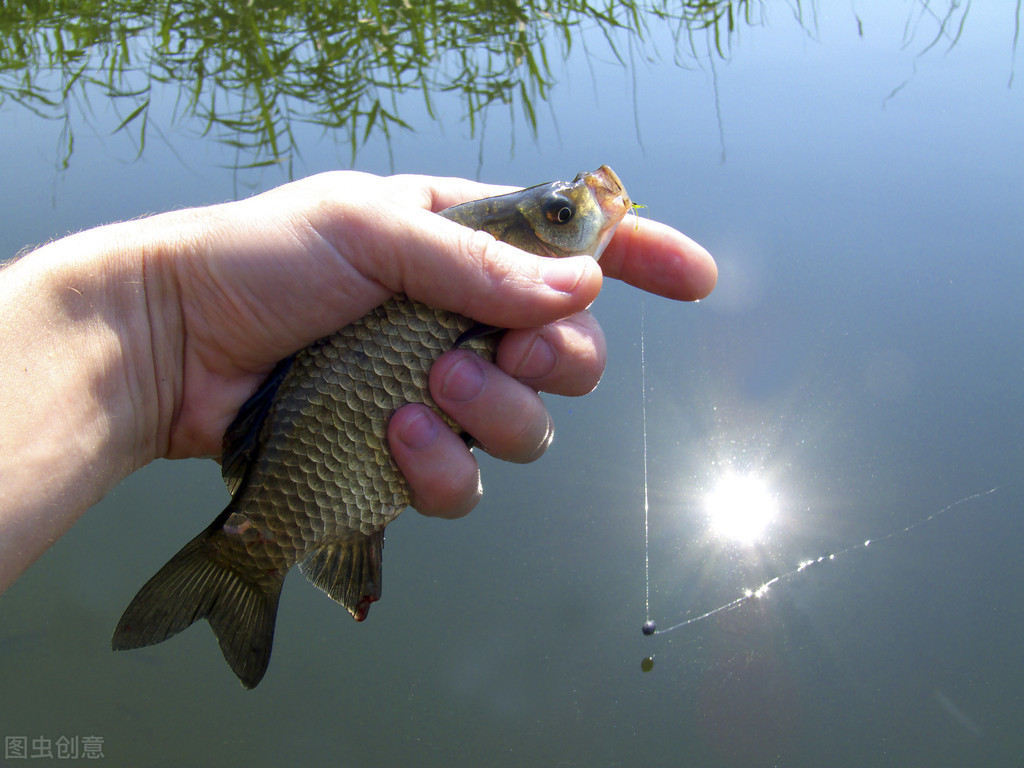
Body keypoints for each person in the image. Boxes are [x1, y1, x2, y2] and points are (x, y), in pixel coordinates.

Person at [0, 170, 716, 594]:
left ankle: (298, 543)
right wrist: (165, 325)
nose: (579, 213)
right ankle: (257, 554)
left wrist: (162, 330)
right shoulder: (450, 261)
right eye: (559, 215)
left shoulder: (464, 257)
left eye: (561, 216)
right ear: (510, 249)